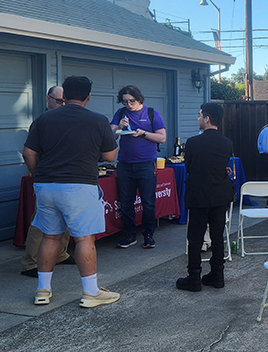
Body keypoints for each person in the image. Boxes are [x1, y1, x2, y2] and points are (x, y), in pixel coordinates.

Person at [22, 75, 120, 307]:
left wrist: (38, 176)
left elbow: (28, 153)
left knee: (50, 236)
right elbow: (110, 156)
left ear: (63, 95)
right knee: (84, 238)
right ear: (88, 96)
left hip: (46, 185)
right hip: (80, 185)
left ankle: (42, 291)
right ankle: (90, 293)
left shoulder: (44, 118)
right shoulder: (98, 120)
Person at [176, 103, 235, 291]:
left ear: (207, 118)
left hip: (199, 194)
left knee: (195, 236)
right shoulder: (227, 142)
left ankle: (194, 276)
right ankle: (217, 275)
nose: (198, 118)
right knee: (217, 235)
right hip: (220, 194)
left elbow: (190, 167)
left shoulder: (193, 142)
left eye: (200, 115)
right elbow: (220, 166)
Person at [20, 86, 75, 278]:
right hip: (48, 178)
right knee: (42, 221)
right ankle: (30, 262)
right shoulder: (41, 121)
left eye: (64, 101)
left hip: (67, 176)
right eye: (58, 101)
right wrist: (37, 174)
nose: (62, 104)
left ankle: (60, 253)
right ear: (47, 99)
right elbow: (29, 153)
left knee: (66, 216)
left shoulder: (66, 119)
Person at [110, 85, 167, 249]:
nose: (129, 105)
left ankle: (148, 234)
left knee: (148, 201)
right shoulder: (121, 114)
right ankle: (129, 235)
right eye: (125, 101)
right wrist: (119, 127)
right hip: (125, 164)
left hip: (146, 163)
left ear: (139, 99)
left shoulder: (151, 113)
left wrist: (143, 133)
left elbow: (162, 138)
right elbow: (110, 137)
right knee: (126, 202)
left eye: (132, 101)